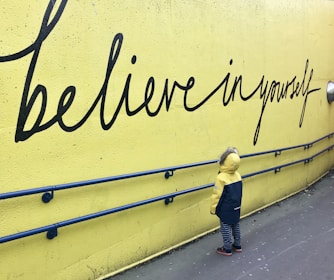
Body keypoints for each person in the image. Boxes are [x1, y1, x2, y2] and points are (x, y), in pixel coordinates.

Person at [210, 147, 243, 256]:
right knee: (235, 224)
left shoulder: (221, 177)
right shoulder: (238, 175)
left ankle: (227, 247)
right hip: (236, 206)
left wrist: (213, 208)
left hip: (225, 208)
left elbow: (217, 194)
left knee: (226, 226)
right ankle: (237, 244)